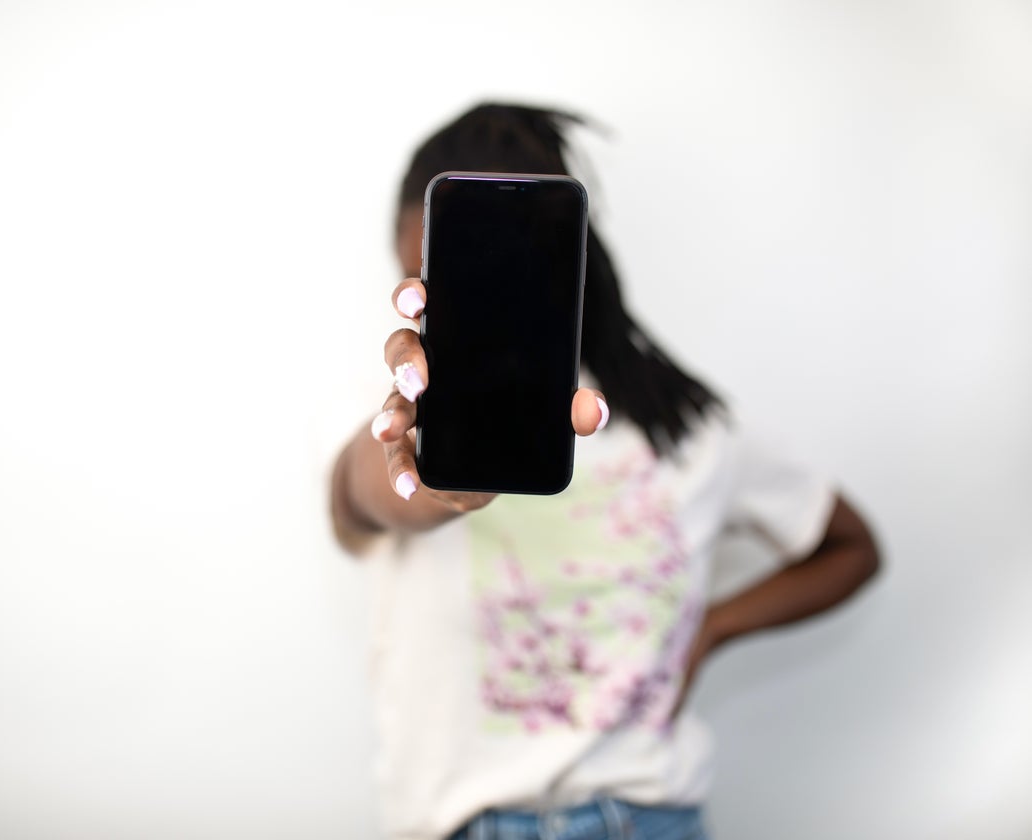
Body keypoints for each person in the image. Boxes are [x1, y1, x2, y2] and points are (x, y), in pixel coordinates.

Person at [329, 102, 881, 840]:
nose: (446, 308)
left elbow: (852, 547)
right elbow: (360, 495)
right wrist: (431, 481)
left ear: (561, 257)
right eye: (425, 281)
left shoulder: (686, 427)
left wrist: (710, 630)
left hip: (649, 820)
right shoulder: (390, 411)